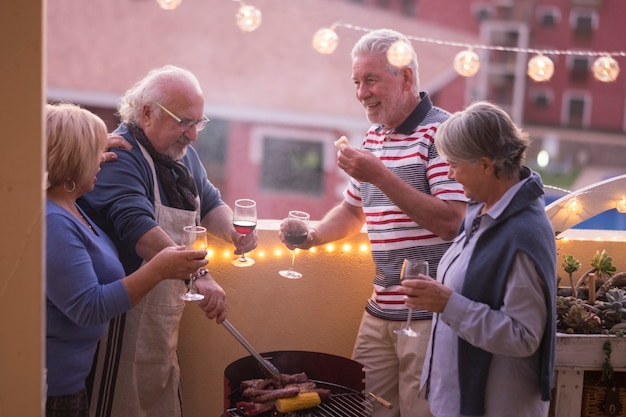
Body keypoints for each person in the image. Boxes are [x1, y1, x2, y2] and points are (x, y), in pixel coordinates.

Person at [280, 29, 467, 417]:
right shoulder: (374, 137)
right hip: (380, 311)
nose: (361, 92)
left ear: (406, 79)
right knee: (361, 410)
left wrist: (380, 175)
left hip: (429, 317)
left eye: (371, 80)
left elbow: (451, 222)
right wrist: (311, 236)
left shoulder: (443, 133)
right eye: (356, 81)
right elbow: (352, 211)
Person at [78, 65, 257, 417]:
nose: (192, 135)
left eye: (198, 123)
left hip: (163, 322)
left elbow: (208, 201)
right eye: (184, 122)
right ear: (147, 113)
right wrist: (199, 276)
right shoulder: (122, 156)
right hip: (119, 320)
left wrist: (234, 233)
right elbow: (139, 231)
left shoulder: (182, 155)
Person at [45, 102, 209, 417]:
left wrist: (82, 160)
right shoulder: (54, 221)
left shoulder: (71, 203)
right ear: (73, 160)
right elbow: (89, 307)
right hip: (55, 389)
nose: (103, 161)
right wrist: (159, 269)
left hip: (73, 379)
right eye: (95, 152)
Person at [399, 101, 556, 417]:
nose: (448, 173)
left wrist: (448, 304)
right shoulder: (482, 212)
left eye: (454, 164)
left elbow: (523, 336)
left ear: (486, 164)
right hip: (457, 401)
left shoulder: (523, 232)